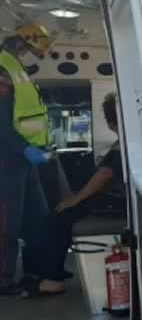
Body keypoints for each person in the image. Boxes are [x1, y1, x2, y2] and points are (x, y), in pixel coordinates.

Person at [21, 93, 123, 296]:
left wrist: (76, 198)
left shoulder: (124, 144)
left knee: (56, 219)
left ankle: (53, 279)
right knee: (58, 216)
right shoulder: (124, 141)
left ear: (112, 120)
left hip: (112, 204)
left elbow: (105, 174)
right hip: (108, 201)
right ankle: (53, 271)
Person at [0, 23, 53, 295]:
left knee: (38, 217)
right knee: (7, 224)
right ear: (21, 42)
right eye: (32, 49)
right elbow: (2, 125)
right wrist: (25, 149)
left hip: (26, 159)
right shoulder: (3, 70)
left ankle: (36, 271)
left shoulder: (17, 68)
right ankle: (3, 281)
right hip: (8, 159)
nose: (34, 55)